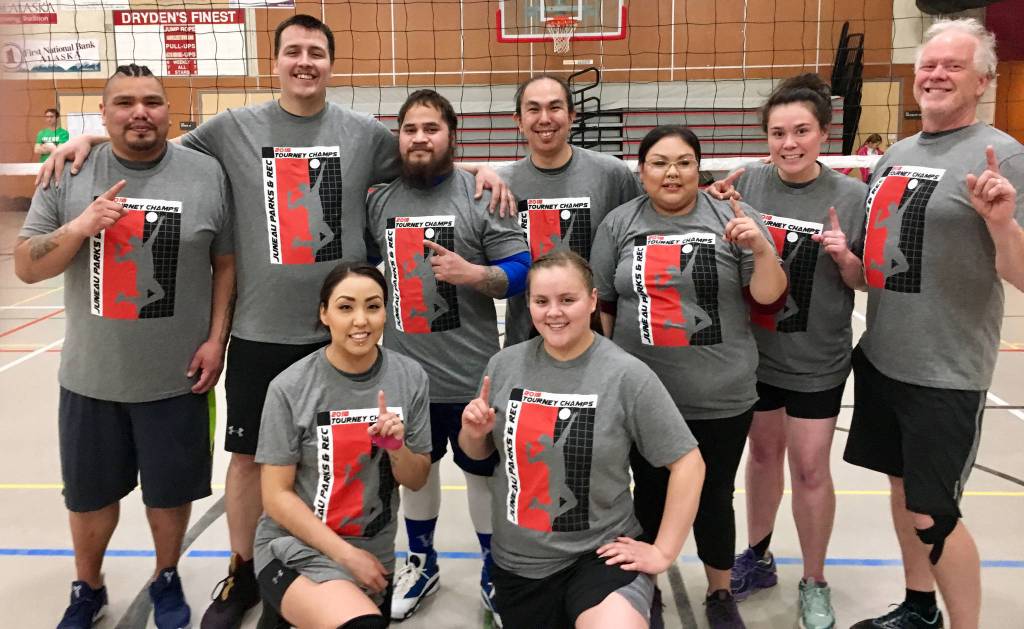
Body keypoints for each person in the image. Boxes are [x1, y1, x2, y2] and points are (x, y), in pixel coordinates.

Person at [37, 15, 513, 628]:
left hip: (345, 329)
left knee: (365, 452)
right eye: (293, 51)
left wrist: (482, 170)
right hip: (262, 330)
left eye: (317, 51)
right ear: (276, 61)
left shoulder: (364, 135)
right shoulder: (233, 127)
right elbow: (153, 144)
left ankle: (358, 556)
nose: (304, 61)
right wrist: (90, 143)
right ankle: (243, 568)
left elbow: (429, 160)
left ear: (331, 63)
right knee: (249, 460)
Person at [14, 64, 235, 629]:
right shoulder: (70, 174)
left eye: (153, 101)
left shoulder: (205, 173)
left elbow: (225, 262)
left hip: (177, 376)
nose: (140, 112)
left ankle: (166, 574)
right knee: (88, 497)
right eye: (125, 102)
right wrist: (80, 226)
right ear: (104, 113)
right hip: (92, 377)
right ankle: (86, 587)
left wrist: (216, 339)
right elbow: (25, 266)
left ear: (169, 110)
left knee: (169, 494)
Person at [845, 18, 1024, 629]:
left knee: (934, 512)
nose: (936, 75)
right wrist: (846, 259)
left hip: (945, 372)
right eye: (929, 65)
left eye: (952, 66)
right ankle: (919, 608)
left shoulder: (1006, 157)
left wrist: (1002, 223)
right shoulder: (894, 156)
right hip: (883, 357)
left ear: (982, 81)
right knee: (901, 492)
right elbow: (885, 265)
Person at [590, 125, 787, 629]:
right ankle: (645, 587)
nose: (671, 172)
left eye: (683, 162)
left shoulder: (734, 214)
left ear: (700, 170)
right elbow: (604, 304)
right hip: (644, 396)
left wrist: (761, 249)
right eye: (658, 162)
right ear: (642, 171)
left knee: (715, 495)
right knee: (649, 493)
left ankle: (720, 594)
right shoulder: (620, 222)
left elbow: (769, 297)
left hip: (720, 393)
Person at [458, 250, 705, 629]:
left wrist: (664, 551)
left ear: (591, 300)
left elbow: (688, 461)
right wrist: (473, 433)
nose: (553, 312)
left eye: (567, 300)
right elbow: (477, 451)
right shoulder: (505, 365)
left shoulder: (625, 374)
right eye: (541, 301)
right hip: (518, 564)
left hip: (599, 556)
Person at [364, 89, 530, 622]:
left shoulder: (481, 196)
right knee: (416, 472)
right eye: (410, 129)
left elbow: (521, 270)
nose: (419, 138)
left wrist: (474, 274)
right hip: (407, 374)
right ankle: (422, 560)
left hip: (471, 375)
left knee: (482, 473)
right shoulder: (380, 201)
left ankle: (490, 565)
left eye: (431, 128)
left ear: (451, 135)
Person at [709, 74, 867, 629]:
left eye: (802, 130)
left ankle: (815, 580)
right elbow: (712, 213)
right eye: (778, 133)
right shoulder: (747, 182)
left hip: (817, 360)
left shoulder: (851, 195)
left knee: (809, 469)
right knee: (763, 457)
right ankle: (759, 556)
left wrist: (847, 258)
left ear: (824, 133)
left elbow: (867, 279)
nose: (790, 143)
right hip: (758, 355)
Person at [254, 262, 432, 629]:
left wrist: (396, 446)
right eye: (346, 307)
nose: (361, 321)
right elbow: (275, 497)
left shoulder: (410, 377)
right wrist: (347, 557)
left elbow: (416, 480)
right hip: (295, 546)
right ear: (325, 313)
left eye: (373, 305)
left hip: (374, 551)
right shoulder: (290, 387)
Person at [498, 74, 643, 344]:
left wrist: (712, 197)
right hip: (527, 339)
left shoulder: (611, 174)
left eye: (554, 107)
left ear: (572, 115)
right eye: (533, 109)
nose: (544, 118)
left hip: (598, 338)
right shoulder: (501, 184)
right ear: (518, 121)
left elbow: (650, 224)